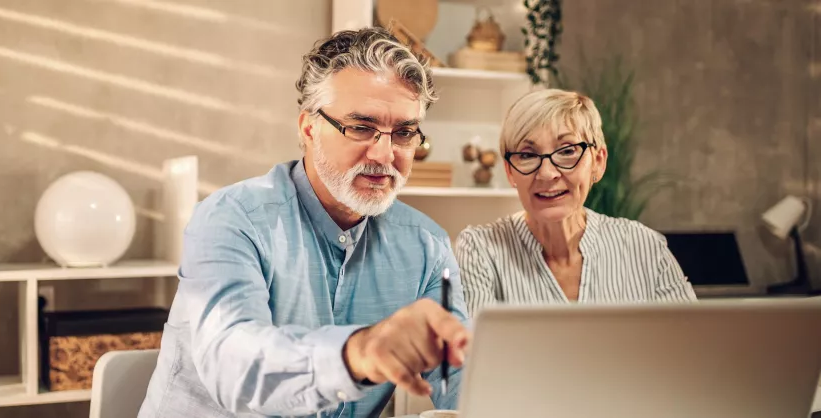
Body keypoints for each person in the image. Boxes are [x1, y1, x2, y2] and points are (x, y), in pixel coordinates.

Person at [137, 27, 469, 418]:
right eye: (361, 127)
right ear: (308, 128)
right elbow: (236, 368)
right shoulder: (231, 219)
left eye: (404, 133)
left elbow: (461, 379)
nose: (384, 153)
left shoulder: (426, 246)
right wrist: (357, 352)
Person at [456, 88, 697, 309]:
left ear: (598, 162)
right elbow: (473, 352)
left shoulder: (644, 246)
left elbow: (693, 345)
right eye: (527, 155)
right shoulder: (480, 250)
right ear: (510, 171)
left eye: (567, 151)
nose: (547, 173)